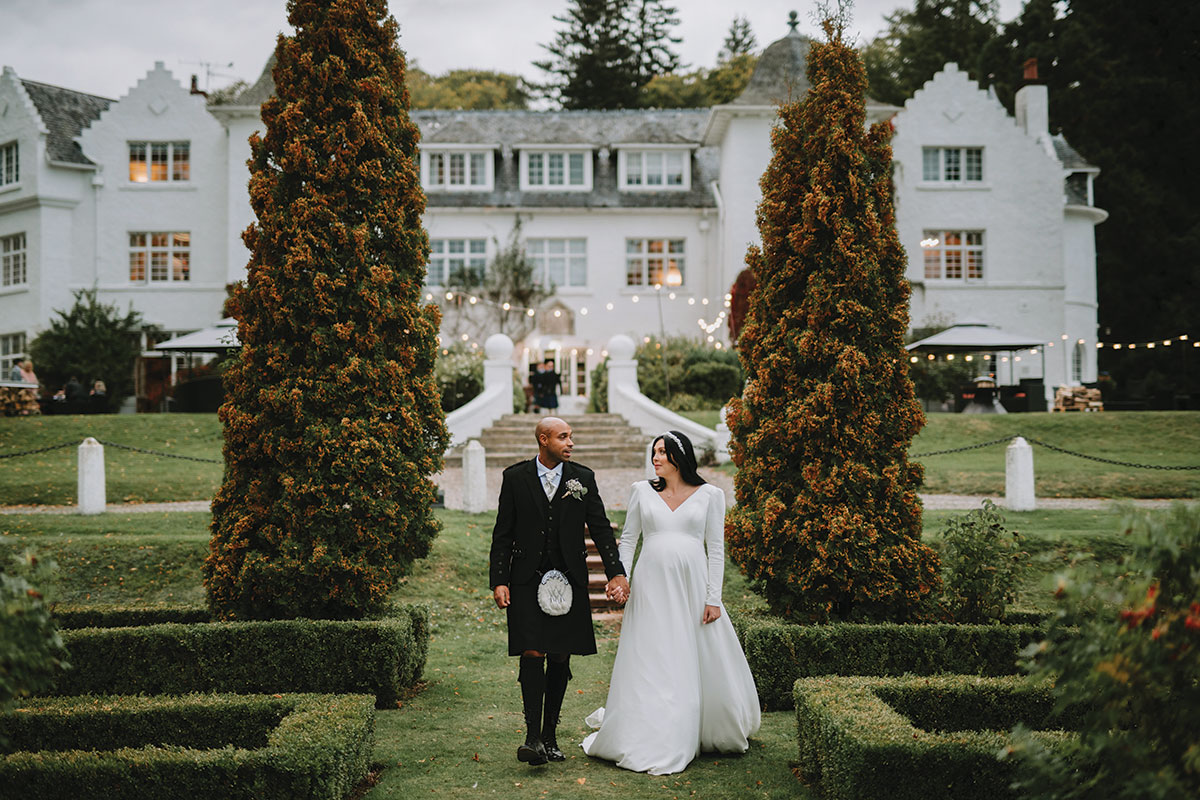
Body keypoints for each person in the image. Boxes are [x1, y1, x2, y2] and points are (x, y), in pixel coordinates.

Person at [581, 430, 760, 775]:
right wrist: (622, 578)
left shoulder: (710, 495)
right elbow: (630, 540)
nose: (656, 458)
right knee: (652, 654)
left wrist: (713, 596)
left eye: (663, 452)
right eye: (654, 452)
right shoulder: (641, 492)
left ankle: (695, 723)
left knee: (691, 653)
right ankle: (650, 728)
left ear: (681, 456)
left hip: (692, 588)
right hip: (650, 587)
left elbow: (715, 550)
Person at [490, 417, 629, 766]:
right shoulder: (515, 478)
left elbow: (600, 528)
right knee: (532, 652)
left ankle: (550, 737)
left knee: (561, 655)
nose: (571, 442)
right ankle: (532, 738)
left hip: (569, 580)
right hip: (525, 580)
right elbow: (502, 534)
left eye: (571, 436)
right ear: (543, 440)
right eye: (563, 437)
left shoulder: (582, 478)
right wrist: (499, 580)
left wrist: (616, 574)